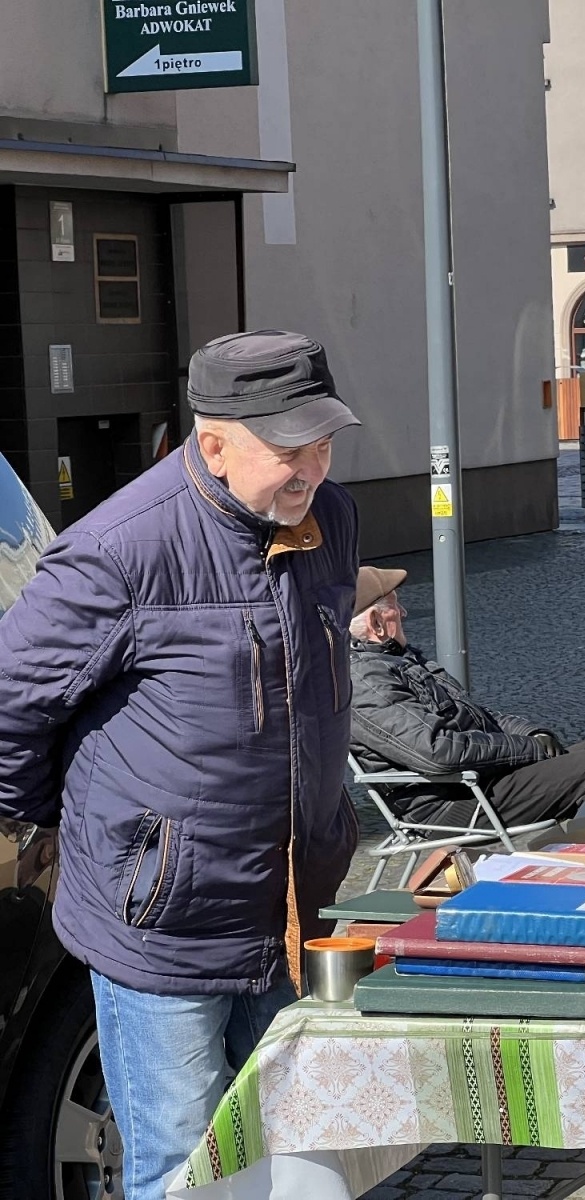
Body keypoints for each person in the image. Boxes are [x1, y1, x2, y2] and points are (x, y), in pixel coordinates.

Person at [0, 331, 362, 1200]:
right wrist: (89, 835)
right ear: (212, 444)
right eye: (288, 449)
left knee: (291, 1161)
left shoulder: (332, 521)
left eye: (323, 442)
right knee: (182, 1172)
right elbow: (10, 705)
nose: (311, 467)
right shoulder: (118, 551)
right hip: (162, 929)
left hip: (285, 913)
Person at [348, 568, 585, 827]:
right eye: (395, 606)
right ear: (375, 623)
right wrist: (531, 748)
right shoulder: (363, 680)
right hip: (454, 801)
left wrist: (534, 733)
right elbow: (438, 752)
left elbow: (477, 715)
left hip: (487, 777)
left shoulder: (402, 660)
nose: (403, 613)